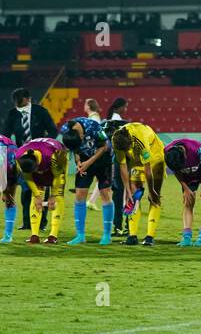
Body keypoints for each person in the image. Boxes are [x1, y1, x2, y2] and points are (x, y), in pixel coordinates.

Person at [3, 88, 56, 231]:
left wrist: (45, 146)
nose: (17, 106)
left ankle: (42, 223)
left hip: (41, 157)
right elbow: (5, 135)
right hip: (22, 157)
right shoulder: (12, 114)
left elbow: (53, 130)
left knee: (42, 189)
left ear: (28, 99)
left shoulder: (41, 112)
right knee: (26, 190)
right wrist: (12, 151)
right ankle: (27, 223)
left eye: (20, 102)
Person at [59, 109, 115, 246]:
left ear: (81, 134)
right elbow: (74, 149)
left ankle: (107, 235)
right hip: (84, 159)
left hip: (102, 159)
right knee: (79, 194)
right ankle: (80, 235)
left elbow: (104, 146)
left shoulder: (93, 126)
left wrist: (88, 163)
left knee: (105, 193)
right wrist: (78, 162)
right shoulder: (66, 129)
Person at [109, 121, 166, 246]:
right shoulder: (116, 140)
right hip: (136, 160)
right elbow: (123, 165)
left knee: (154, 197)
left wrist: (151, 191)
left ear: (130, 142)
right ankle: (132, 236)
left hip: (156, 157)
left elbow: (148, 168)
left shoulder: (140, 139)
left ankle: (150, 237)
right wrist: (128, 190)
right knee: (134, 196)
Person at [14, 137, 68, 244]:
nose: (38, 173)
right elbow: (28, 177)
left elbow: (57, 177)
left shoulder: (54, 156)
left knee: (57, 197)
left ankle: (53, 236)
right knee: (35, 198)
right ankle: (34, 236)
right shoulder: (19, 157)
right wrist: (38, 196)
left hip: (59, 164)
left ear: (37, 164)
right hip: (41, 163)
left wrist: (53, 195)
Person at [163, 138, 201, 246]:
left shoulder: (197, 149)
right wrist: (185, 188)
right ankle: (186, 237)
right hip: (187, 174)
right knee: (188, 202)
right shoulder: (169, 153)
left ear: (185, 156)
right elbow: (176, 170)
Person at [103, 98, 130, 235]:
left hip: (114, 160)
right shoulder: (118, 121)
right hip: (123, 159)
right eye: (125, 107)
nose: (125, 109)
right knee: (128, 192)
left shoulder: (108, 120)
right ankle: (128, 226)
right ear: (119, 107)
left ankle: (117, 225)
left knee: (117, 193)